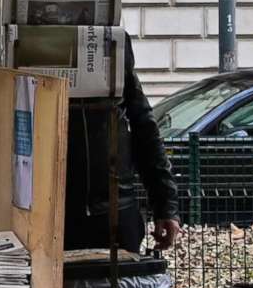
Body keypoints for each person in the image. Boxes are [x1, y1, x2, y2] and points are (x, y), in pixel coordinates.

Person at [64, 57, 181, 253]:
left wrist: (166, 205)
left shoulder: (114, 57)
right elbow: (145, 129)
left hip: (112, 210)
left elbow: (145, 130)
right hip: (109, 206)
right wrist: (166, 205)